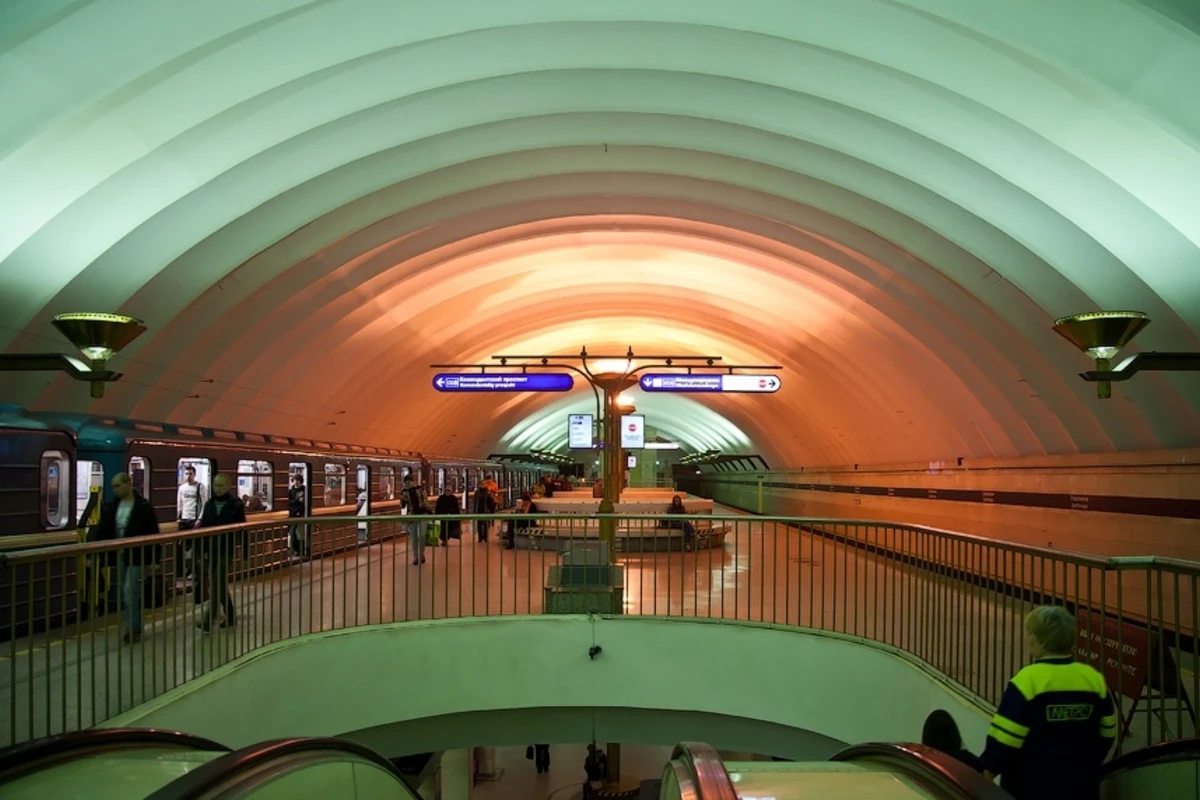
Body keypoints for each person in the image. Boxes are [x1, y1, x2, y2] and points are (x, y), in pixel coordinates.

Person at [979, 605, 1116, 799]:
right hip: (1082, 785)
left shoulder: (1028, 681)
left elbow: (1006, 739)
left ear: (1041, 641)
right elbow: (1108, 733)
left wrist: (988, 771)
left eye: (1030, 633)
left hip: (1031, 785)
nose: (1027, 637)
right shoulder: (1094, 680)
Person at [94, 472, 160, 644]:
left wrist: (155, 561)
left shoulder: (143, 507)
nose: (115, 490)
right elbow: (103, 531)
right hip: (120, 555)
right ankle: (134, 626)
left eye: (118, 486)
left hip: (137, 555)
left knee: (129, 591)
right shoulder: (111, 507)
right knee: (128, 592)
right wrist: (94, 553)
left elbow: (153, 533)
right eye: (113, 486)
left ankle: (131, 629)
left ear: (128, 484)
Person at [196, 474, 247, 633]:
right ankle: (230, 615)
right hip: (211, 550)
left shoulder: (235, 505)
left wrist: (244, 552)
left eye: (220, 486)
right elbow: (204, 528)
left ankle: (208, 619)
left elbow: (242, 529)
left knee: (217, 585)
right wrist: (200, 551)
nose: (216, 489)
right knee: (219, 585)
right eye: (215, 485)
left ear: (228, 486)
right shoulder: (209, 504)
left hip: (226, 550)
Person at [404, 475, 431, 566]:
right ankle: (416, 557)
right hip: (412, 517)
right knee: (414, 537)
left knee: (421, 535)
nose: (408, 484)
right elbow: (402, 505)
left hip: (423, 514)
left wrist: (429, 511)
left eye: (409, 482)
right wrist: (403, 499)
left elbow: (425, 500)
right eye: (406, 482)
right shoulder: (405, 491)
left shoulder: (420, 489)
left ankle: (421, 554)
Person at [176, 465, 205, 530]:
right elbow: (179, 504)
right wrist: (178, 518)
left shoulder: (200, 486)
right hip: (183, 519)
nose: (188, 476)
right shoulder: (181, 488)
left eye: (190, 474)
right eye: (186, 474)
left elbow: (204, 503)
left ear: (194, 475)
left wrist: (200, 519)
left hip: (194, 519)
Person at [287, 473, 307, 557]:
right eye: (295, 480)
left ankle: (297, 550)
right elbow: (289, 502)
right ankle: (296, 550)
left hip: (299, 515)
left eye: (298, 480)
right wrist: (297, 500)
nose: (296, 482)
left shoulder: (304, 490)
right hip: (292, 514)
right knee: (293, 533)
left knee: (295, 533)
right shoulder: (291, 491)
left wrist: (300, 511)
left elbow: (304, 503)